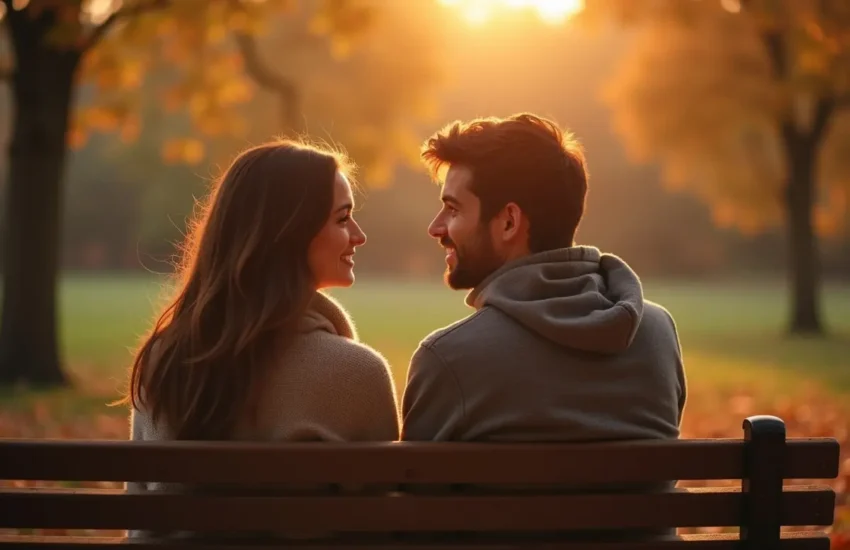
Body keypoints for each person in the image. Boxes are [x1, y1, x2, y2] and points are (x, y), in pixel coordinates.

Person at [123, 139, 399, 501]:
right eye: (343, 219)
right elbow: (383, 524)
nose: (358, 236)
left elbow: (142, 518)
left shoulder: (165, 359)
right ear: (288, 232)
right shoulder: (356, 374)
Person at [401, 113, 686, 445]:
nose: (435, 228)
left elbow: (418, 490)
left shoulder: (447, 359)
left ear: (509, 221)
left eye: (453, 209)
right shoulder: (657, 334)